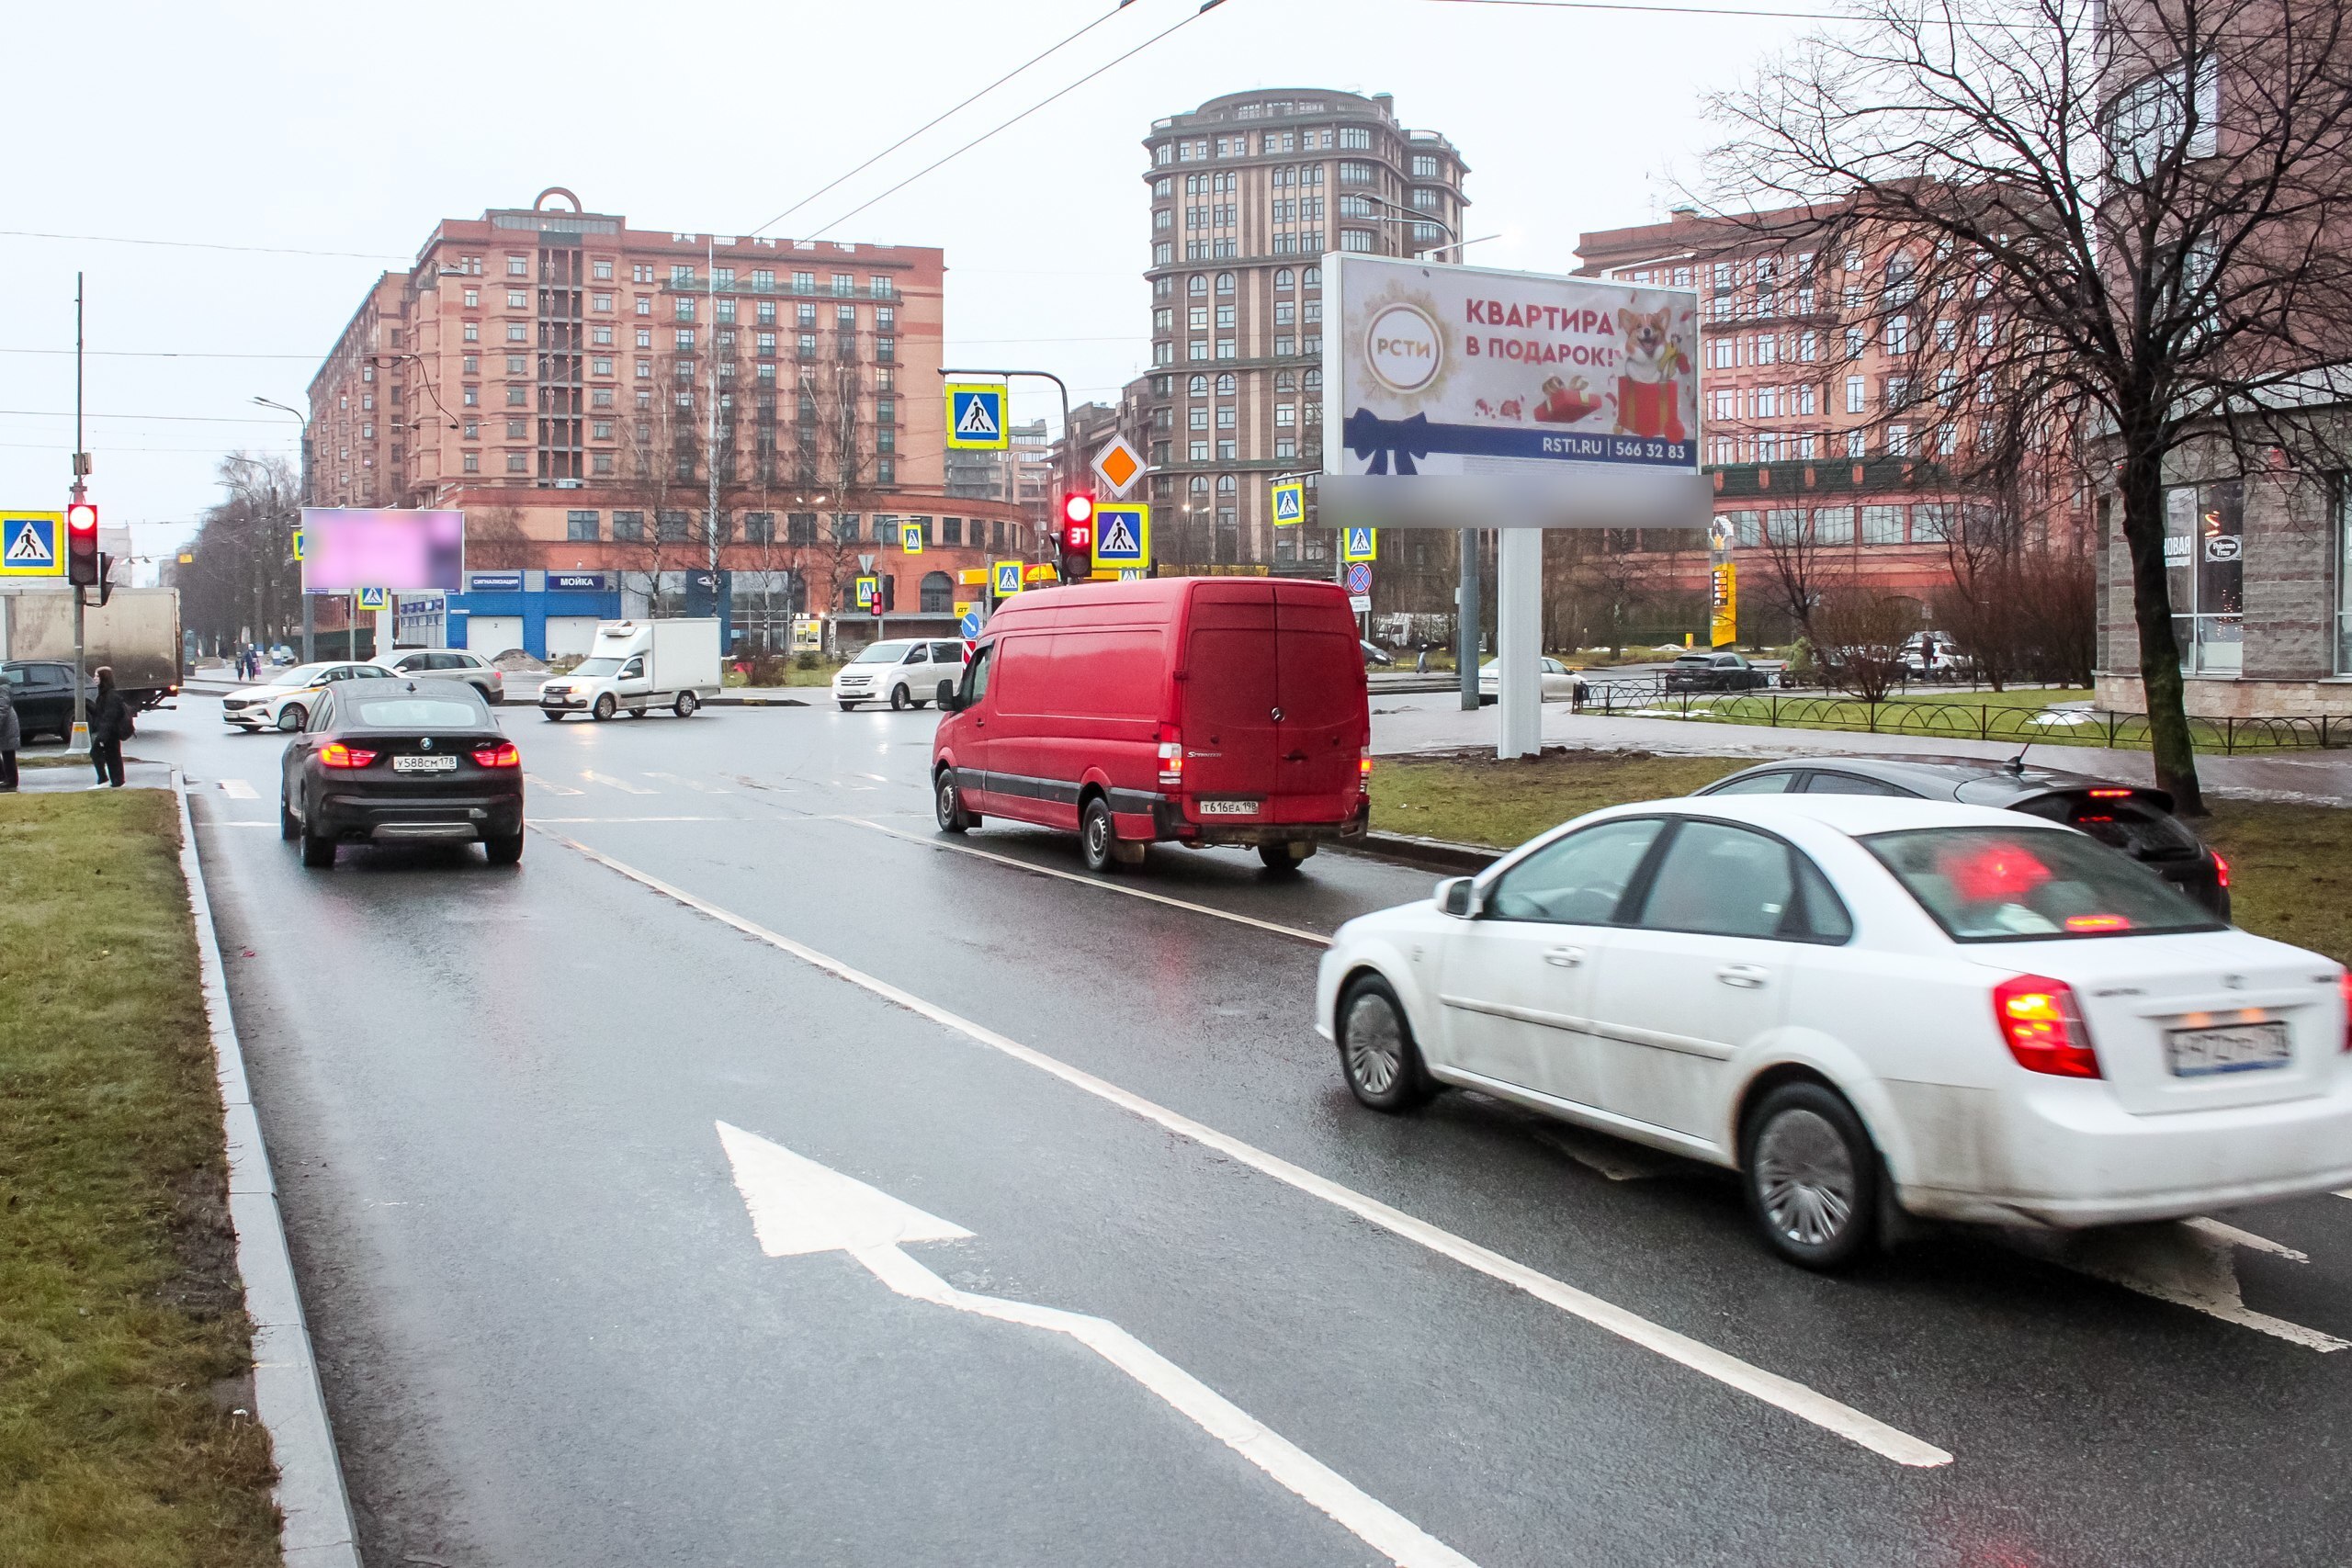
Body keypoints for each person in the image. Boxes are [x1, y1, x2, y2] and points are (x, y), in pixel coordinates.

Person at [87, 666, 131, 790]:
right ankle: (116, 781)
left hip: (111, 732)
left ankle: (107, 779)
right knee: (112, 755)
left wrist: (102, 736)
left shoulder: (110, 696)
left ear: (103, 678)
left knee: (100, 753)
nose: (94, 678)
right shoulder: (105, 694)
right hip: (110, 731)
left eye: (97, 675)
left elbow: (109, 717)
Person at [0, 676, 18, 792]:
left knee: (8, 753)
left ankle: (11, 781)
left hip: (6, 725)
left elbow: (2, 708)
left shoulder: (3, 689)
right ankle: (5, 778)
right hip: (6, 724)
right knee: (8, 753)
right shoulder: (4, 688)